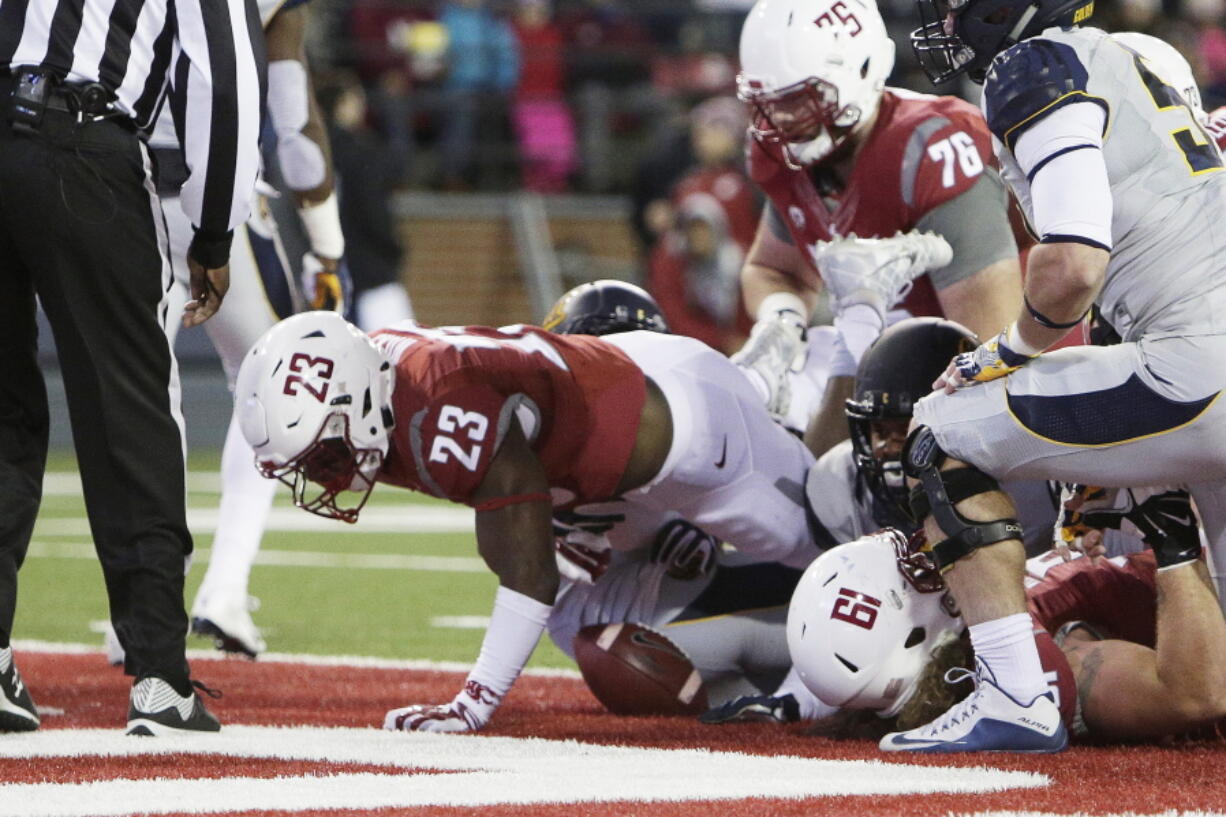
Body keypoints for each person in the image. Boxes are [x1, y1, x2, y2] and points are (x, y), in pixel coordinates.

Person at [882, 5, 1226, 753]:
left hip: (1196, 368)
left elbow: (1072, 262)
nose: (941, 18)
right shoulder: (1136, 57)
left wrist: (1009, 350)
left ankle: (1014, 693)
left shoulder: (1032, 65)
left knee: (941, 427)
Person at [233, 308, 819, 733]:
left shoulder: (436, 408)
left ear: (356, 399)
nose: (325, 476)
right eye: (309, 464)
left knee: (823, 543)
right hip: (602, 450)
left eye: (324, 454)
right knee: (576, 618)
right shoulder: (376, 383)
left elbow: (527, 572)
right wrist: (566, 526)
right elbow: (513, 501)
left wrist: (474, 702)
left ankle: (787, 389)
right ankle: (752, 669)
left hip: (691, 431)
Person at [0, 0, 263, 734]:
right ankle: (157, 675)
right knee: (131, 413)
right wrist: (214, 230)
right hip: (81, 141)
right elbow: (227, 77)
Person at [142, 0, 351, 660]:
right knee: (269, 384)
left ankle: (143, 605)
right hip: (216, 195)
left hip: (114, 182)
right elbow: (293, 126)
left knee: (140, 396)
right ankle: (224, 588)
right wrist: (328, 245)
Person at [731, 0, 1024, 457]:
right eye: (769, 105)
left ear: (862, 69)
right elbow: (774, 269)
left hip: (1001, 373)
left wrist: (858, 326)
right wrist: (780, 321)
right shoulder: (788, 157)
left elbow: (991, 355)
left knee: (830, 481)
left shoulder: (931, 148)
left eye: (798, 101)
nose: (781, 122)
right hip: (887, 363)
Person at [787, 514, 1226, 743]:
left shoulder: (932, 669)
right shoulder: (1030, 668)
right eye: (910, 578)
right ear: (914, 636)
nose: (926, 561)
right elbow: (1193, 695)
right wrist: (1172, 536)